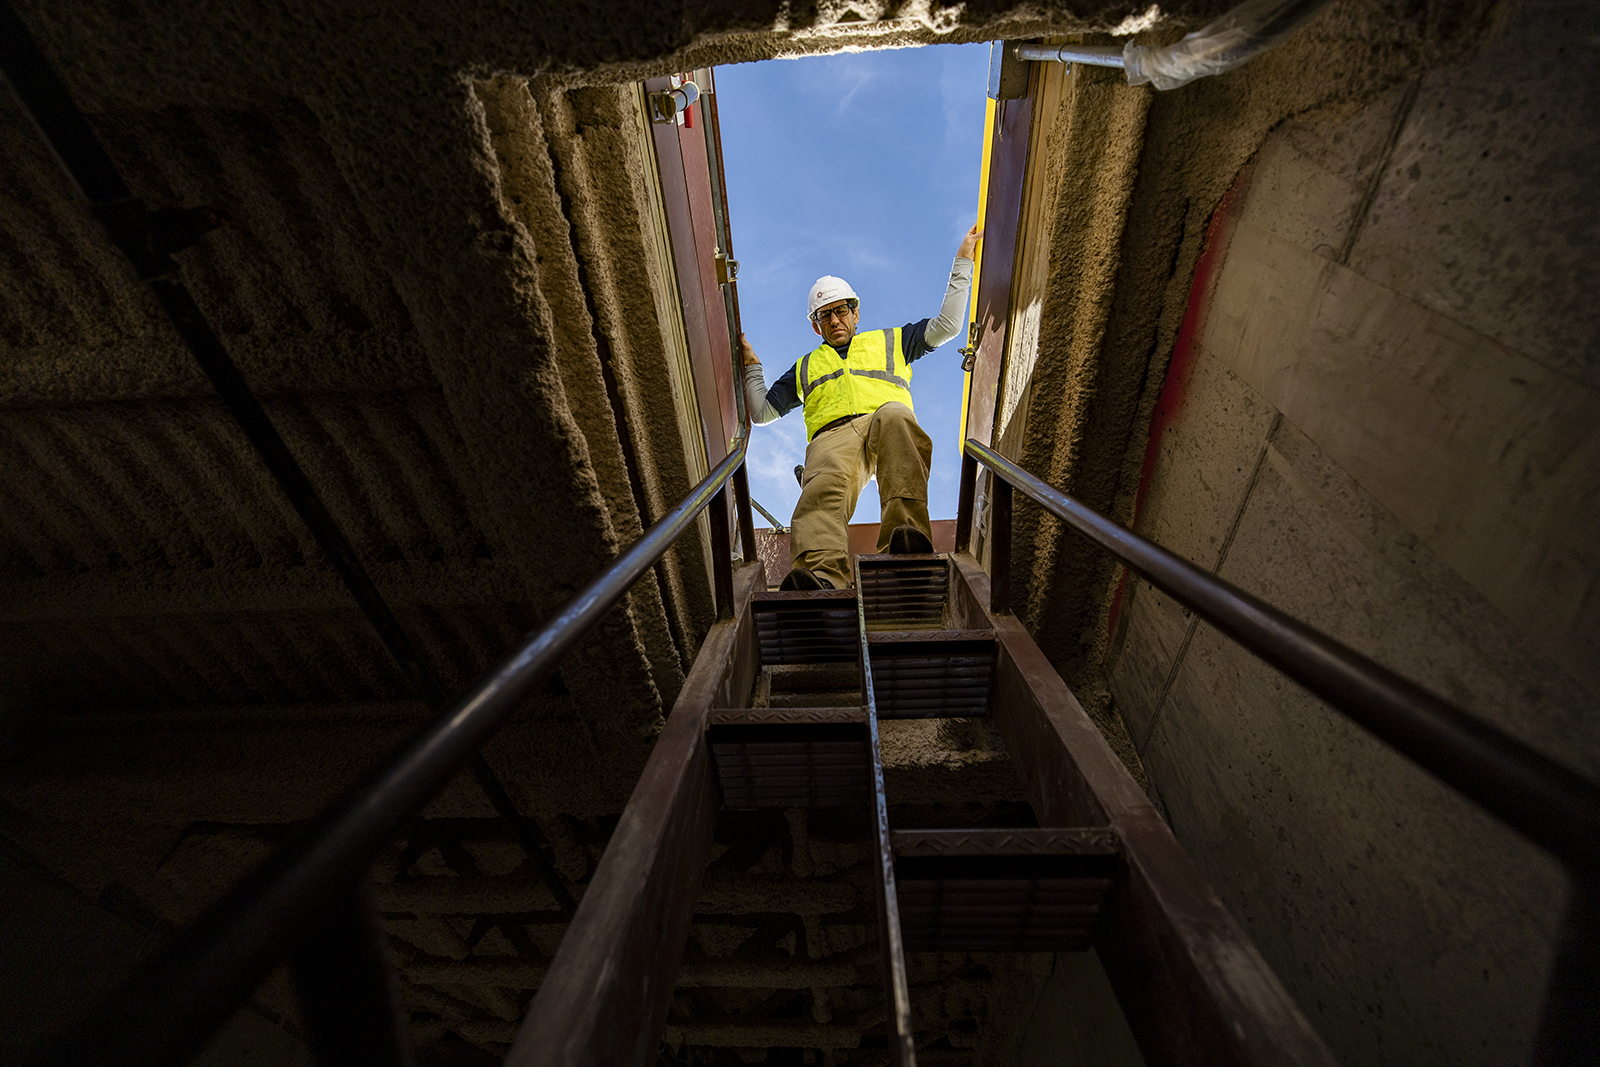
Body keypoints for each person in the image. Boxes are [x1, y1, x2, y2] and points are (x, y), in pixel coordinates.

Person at [741, 224, 983, 591]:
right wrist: (751, 367)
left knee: (896, 415)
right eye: (825, 316)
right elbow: (761, 413)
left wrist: (962, 261)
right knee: (820, 487)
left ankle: (905, 539)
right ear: (815, 326)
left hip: (884, 422)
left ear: (856, 313)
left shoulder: (892, 340)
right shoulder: (806, 366)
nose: (835, 320)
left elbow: (947, 326)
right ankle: (821, 576)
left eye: (841, 311)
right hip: (832, 437)